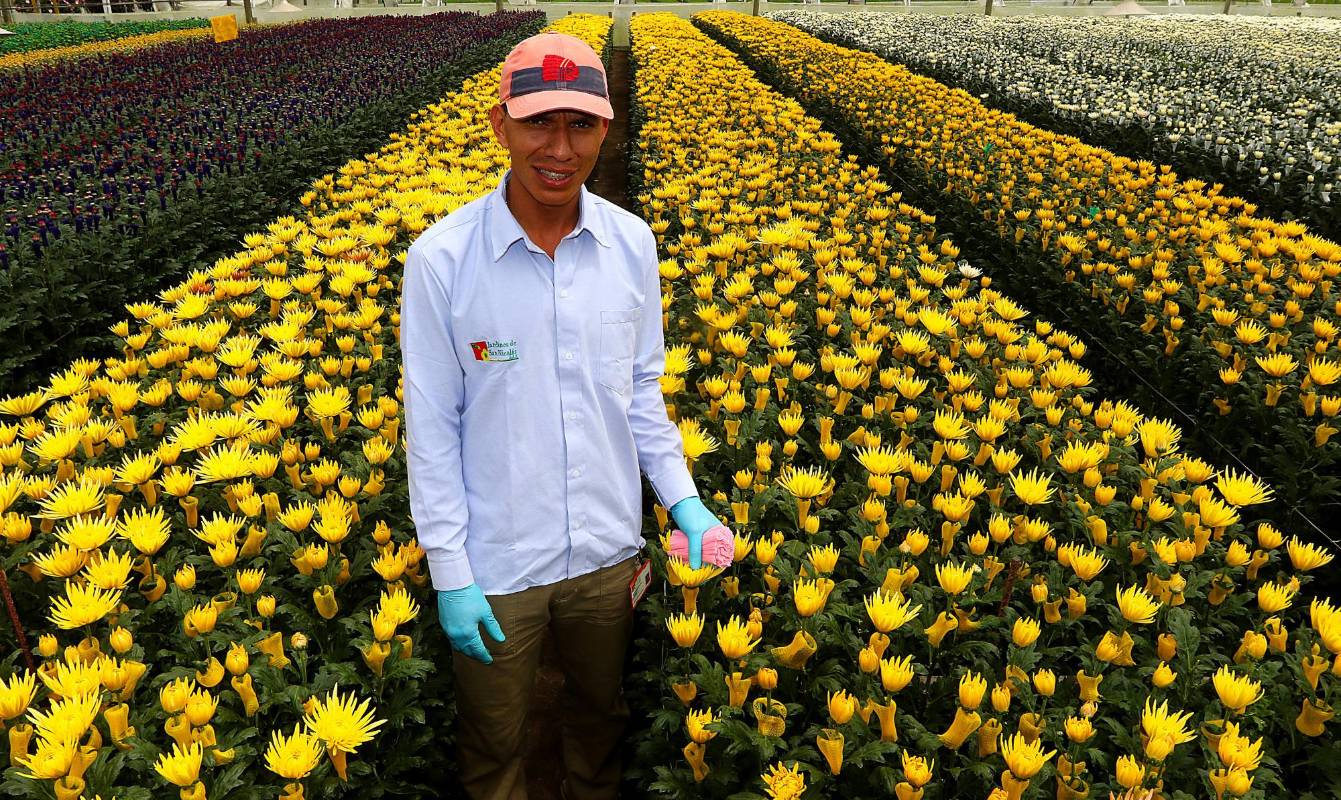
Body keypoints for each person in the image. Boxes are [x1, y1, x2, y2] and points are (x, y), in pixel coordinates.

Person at [399, 31, 724, 800]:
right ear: (499, 124)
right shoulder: (442, 260)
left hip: (608, 556)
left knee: (599, 719)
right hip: (499, 565)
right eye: (539, 122)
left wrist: (682, 498)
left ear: (605, 129)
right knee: (494, 740)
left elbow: (641, 391)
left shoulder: (629, 245)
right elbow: (432, 429)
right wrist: (451, 573)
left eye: (580, 124)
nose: (559, 147)